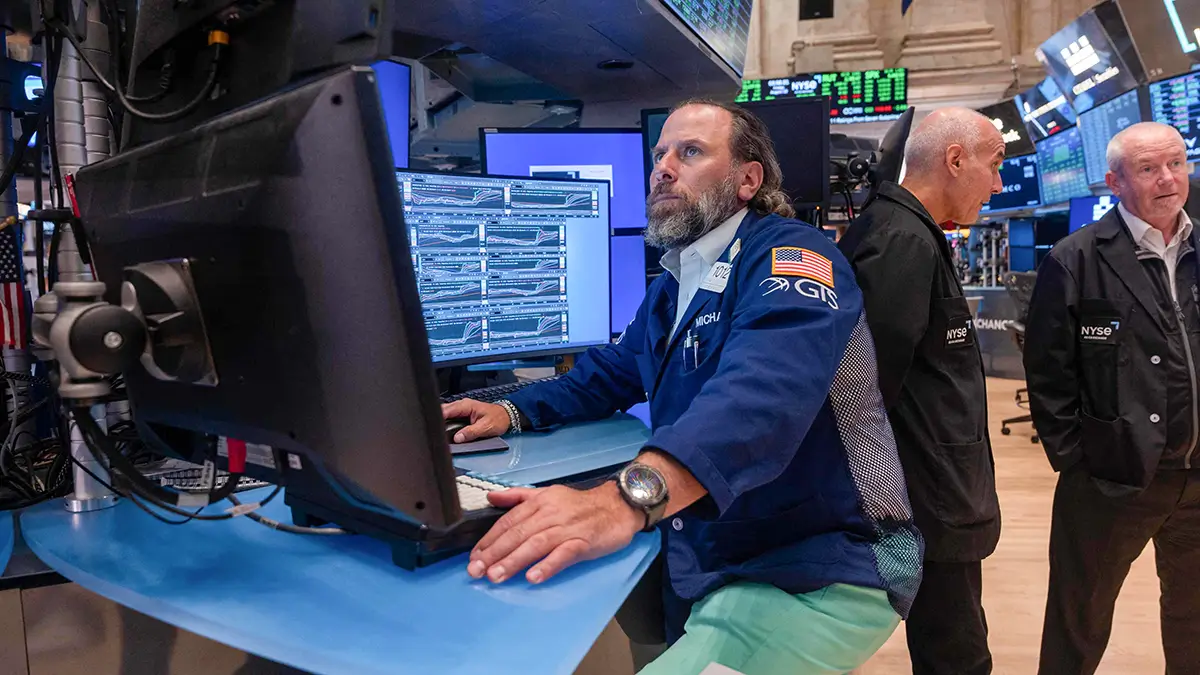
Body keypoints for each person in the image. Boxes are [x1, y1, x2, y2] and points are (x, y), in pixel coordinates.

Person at [442, 99, 923, 674]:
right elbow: (612, 372)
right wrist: (512, 411)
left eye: (690, 152)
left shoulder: (794, 255)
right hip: (728, 546)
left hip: (817, 565)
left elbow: (763, 396)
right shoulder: (675, 283)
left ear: (748, 179)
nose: (663, 167)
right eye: (659, 153)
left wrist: (624, 499)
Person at [1024, 121, 1200, 674]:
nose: (1167, 178)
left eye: (1175, 163)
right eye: (1148, 169)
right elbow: (1048, 373)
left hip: (1197, 478)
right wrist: (1080, 460)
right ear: (1115, 182)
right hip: (1113, 477)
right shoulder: (1075, 258)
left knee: (1195, 618)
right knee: (1080, 620)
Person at [837, 107, 1003, 675]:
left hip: (937, 490)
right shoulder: (901, 241)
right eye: (995, 164)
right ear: (955, 161)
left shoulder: (907, 231)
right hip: (928, 499)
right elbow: (865, 392)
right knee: (956, 656)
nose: (998, 183)